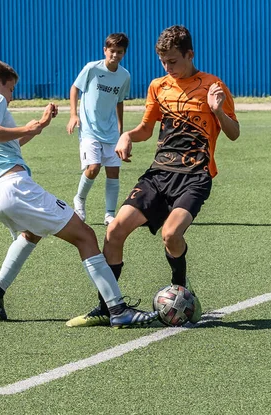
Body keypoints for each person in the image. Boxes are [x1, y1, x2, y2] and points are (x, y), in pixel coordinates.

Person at [66, 25, 240, 328]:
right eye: (163, 62)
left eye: (173, 61)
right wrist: (128, 136)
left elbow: (234, 133)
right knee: (115, 229)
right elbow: (146, 128)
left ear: (190, 54)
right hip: (158, 174)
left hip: (194, 176)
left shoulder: (213, 86)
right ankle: (108, 307)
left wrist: (218, 111)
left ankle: (181, 292)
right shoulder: (158, 86)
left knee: (171, 235)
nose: (167, 67)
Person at [0, 59, 157, 329]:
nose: (10, 97)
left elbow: (4, 142)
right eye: (10, 90)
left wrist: (40, 126)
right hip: (14, 186)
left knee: (31, 233)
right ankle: (117, 309)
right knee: (86, 236)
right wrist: (29, 127)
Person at [66, 33, 130, 226]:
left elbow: (119, 101)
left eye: (119, 52)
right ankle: (80, 199)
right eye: (112, 51)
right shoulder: (92, 68)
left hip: (110, 131)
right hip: (89, 129)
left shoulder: (124, 75)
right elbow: (75, 88)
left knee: (113, 172)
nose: (115, 55)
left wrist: (120, 127)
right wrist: (73, 115)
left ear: (124, 53)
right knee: (93, 168)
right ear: (105, 51)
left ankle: (109, 214)